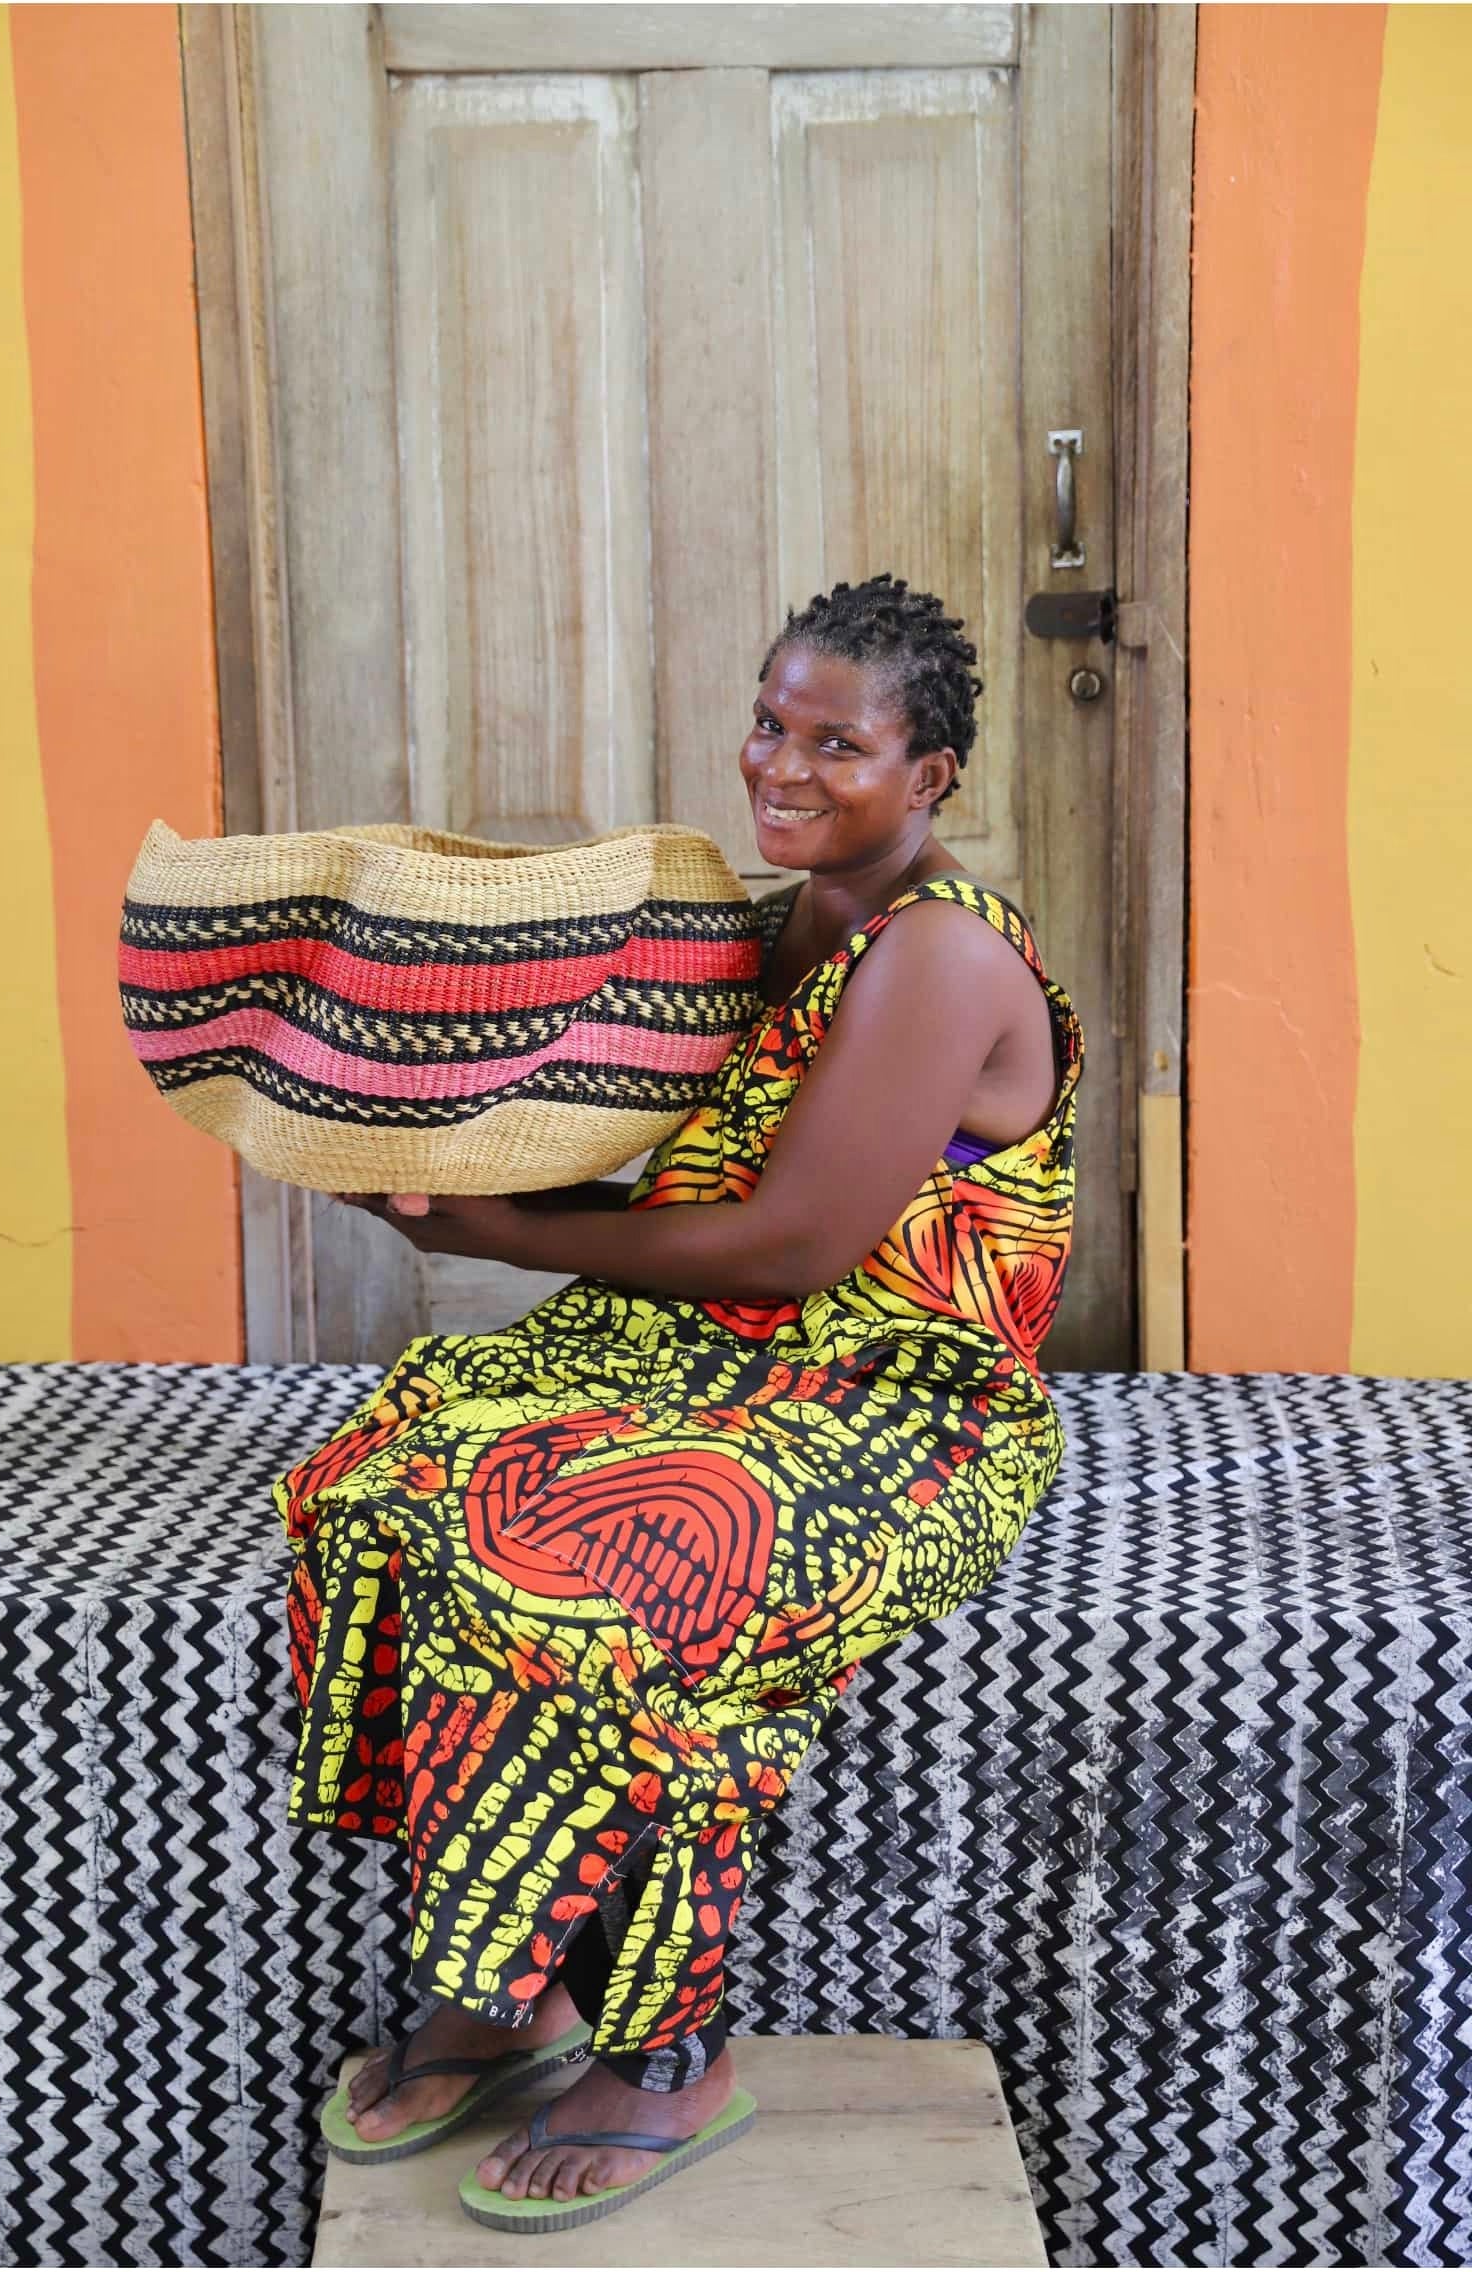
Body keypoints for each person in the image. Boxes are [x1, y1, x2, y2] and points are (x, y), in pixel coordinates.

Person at [272, 571, 1084, 2229]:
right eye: (769, 725)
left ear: (930, 774)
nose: (780, 765)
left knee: (607, 1562)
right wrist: (441, 1174)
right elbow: (662, 1165)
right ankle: (514, 1984)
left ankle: (669, 2053)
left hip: (895, 1400)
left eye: (837, 743)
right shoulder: (775, 925)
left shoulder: (940, 958)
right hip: (710, 1353)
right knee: (385, 1477)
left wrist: (498, 1237)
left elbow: (794, 1243)